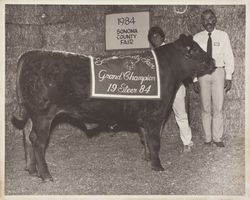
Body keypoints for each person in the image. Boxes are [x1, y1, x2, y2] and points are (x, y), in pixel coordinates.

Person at [148, 26, 193, 152]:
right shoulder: (152, 54)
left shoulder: (172, 50)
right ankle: (154, 144)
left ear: (163, 37)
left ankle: (187, 142)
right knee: (157, 117)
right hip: (159, 90)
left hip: (175, 87)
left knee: (181, 114)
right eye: (152, 37)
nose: (154, 38)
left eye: (157, 36)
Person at [193, 9, 234, 147]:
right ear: (201, 22)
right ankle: (207, 138)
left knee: (218, 107)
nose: (207, 22)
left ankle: (217, 138)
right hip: (203, 74)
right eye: (204, 19)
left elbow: (229, 56)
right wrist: (194, 79)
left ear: (215, 19)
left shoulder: (223, 36)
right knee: (205, 107)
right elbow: (193, 60)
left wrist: (228, 76)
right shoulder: (197, 37)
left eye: (210, 18)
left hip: (218, 72)